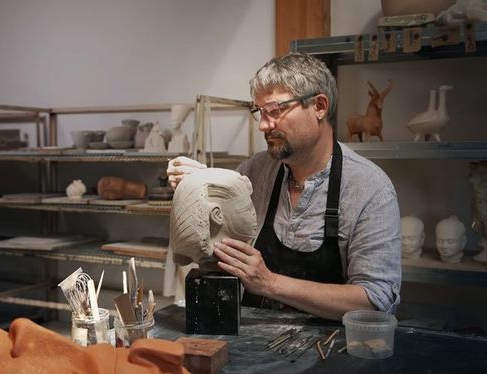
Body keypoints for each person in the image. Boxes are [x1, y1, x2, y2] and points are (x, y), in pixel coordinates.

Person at [167, 52, 401, 320]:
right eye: (260, 112)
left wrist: (269, 283)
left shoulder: (370, 189)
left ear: (319, 106)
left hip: (332, 351)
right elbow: (216, 239)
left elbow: (376, 300)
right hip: (254, 344)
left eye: (276, 111)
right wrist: (201, 185)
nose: (264, 125)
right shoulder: (255, 172)